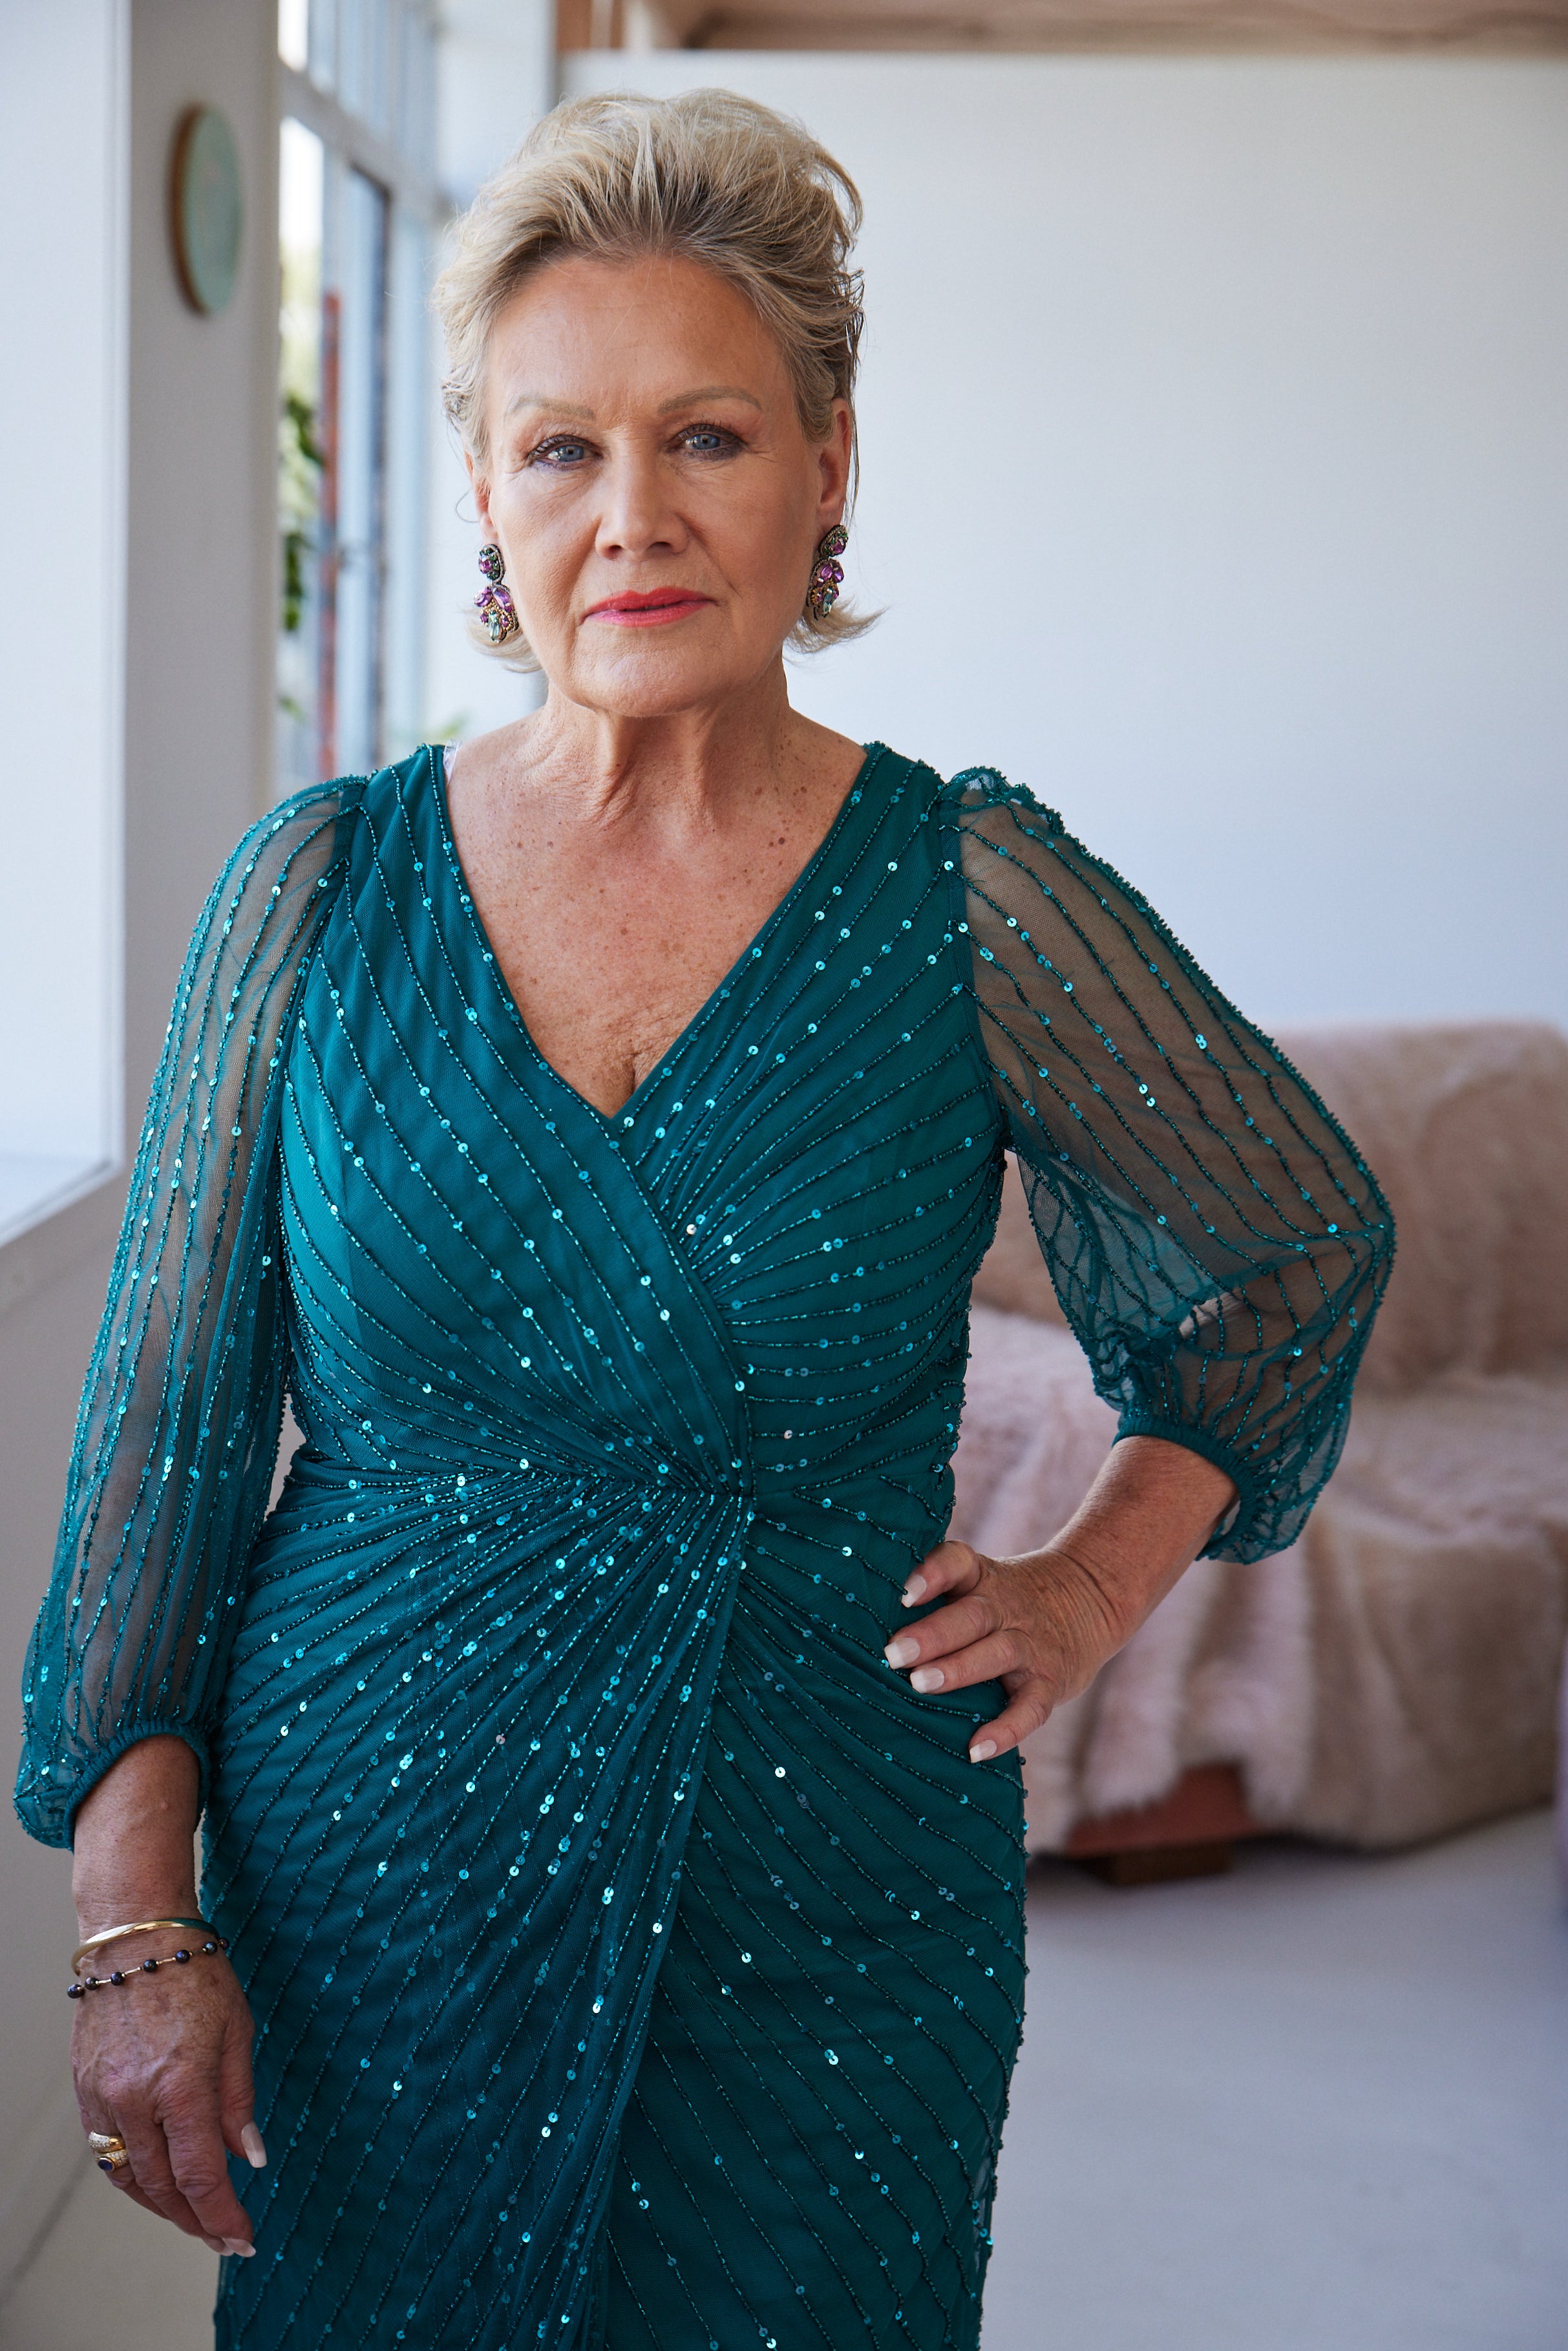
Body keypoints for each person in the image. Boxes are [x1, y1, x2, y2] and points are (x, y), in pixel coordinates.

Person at [17, 89, 1393, 2351]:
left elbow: (1292, 1245)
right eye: (560, 447)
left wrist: (1086, 1586)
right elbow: (159, 1458)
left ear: (827, 466)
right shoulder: (323, 892)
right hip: (369, 1897)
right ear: (484, 491)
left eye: (709, 438)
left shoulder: (964, 890)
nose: (631, 514)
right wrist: (130, 1927)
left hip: (826, 1913)